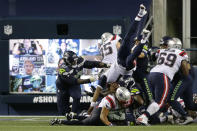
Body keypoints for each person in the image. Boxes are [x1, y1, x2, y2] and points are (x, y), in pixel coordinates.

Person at [88, 4, 148, 114]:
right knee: (131, 59)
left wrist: (91, 107)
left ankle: (139, 15)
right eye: (115, 87)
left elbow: (98, 91)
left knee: (127, 40)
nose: (115, 86)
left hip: (120, 60)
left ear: (109, 85)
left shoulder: (106, 77)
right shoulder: (120, 86)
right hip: (129, 69)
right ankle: (143, 39)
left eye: (113, 86)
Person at [136, 36, 190, 126]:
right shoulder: (181, 53)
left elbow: (153, 56)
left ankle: (148, 117)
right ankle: (143, 117)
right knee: (160, 102)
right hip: (163, 76)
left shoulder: (161, 51)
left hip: (151, 74)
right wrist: (184, 72)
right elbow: (185, 69)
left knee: (154, 100)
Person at [56, 50, 110, 118]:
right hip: (63, 86)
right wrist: (90, 80)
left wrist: (106, 65)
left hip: (73, 84)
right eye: (73, 61)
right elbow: (74, 81)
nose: (75, 62)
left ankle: (73, 113)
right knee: (63, 111)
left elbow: (91, 64)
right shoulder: (62, 69)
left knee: (77, 96)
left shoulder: (79, 60)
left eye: (75, 60)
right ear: (67, 61)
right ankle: (67, 111)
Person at [50, 86, 131, 126]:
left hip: (107, 110)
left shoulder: (124, 98)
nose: (125, 102)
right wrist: (110, 125)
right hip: (99, 112)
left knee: (88, 117)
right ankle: (59, 121)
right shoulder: (110, 100)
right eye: (123, 100)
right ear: (118, 97)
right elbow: (103, 116)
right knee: (84, 122)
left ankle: (72, 116)